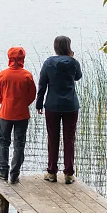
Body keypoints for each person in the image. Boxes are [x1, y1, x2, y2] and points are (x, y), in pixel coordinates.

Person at [36, 35, 83, 184]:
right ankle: (69, 174)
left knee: (53, 138)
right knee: (69, 139)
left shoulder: (49, 63)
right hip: (70, 105)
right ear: (68, 47)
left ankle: (52, 172)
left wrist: (39, 103)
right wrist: (71, 58)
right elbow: (78, 77)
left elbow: (42, 84)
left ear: (55, 47)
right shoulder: (73, 62)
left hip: (52, 105)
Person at [0, 46, 37, 184]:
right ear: (23, 59)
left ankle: (3, 171)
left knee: (4, 142)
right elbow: (32, 95)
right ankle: (14, 174)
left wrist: (5, 102)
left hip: (6, 113)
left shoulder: (3, 75)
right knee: (19, 144)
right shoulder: (27, 76)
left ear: (9, 58)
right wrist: (23, 104)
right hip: (22, 114)